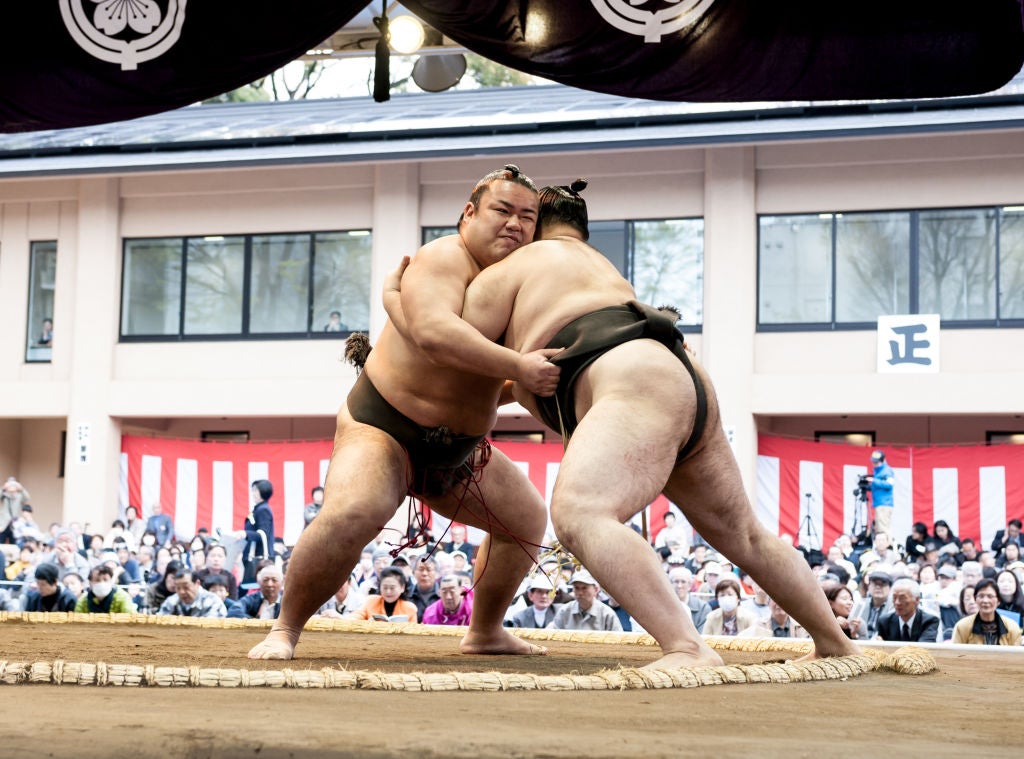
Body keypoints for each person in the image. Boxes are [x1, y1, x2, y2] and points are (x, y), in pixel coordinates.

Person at [383, 178, 859, 667]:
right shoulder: (601, 269)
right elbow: (523, 379)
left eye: (523, 220)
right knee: (745, 534)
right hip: (682, 377)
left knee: (579, 512)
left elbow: (441, 348)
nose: (513, 230)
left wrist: (394, 299)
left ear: (536, 228)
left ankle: (687, 646)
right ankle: (836, 643)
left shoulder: (516, 266)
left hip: (632, 381)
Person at [248, 165, 555, 661]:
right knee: (354, 510)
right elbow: (434, 335)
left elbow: (481, 385)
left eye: (527, 217)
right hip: (383, 427)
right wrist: (521, 365)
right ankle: (284, 628)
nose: (515, 225)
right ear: (469, 214)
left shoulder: (523, 288)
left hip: (459, 453)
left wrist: (529, 383)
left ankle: (485, 631)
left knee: (525, 519)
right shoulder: (442, 258)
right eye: (502, 210)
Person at [952, 578, 1023, 645]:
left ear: (998, 600)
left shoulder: (1012, 628)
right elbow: (956, 655)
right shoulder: (962, 627)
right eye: (981, 596)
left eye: (990, 596)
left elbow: (1016, 656)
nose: (985, 601)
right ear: (975, 599)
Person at [552, 569, 622, 632]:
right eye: (577, 588)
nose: (580, 593)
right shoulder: (564, 611)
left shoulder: (607, 614)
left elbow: (619, 641)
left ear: (596, 589)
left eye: (584, 588)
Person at [237, 480, 275, 585]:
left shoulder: (263, 510)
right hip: (254, 556)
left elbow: (263, 534)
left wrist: (245, 534)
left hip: (258, 556)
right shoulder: (258, 509)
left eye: (255, 490)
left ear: (263, 492)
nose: (253, 493)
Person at [349, 567, 418, 623]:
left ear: (402, 588)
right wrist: (367, 623)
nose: (388, 591)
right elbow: (353, 618)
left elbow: (414, 632)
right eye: (385, 587)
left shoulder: (410, 608)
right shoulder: (370, 601)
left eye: (392, 588)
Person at [157, 568, 227, 618]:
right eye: (178, 588)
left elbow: (213, 630)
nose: (182, 592)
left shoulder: (213, 601)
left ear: (197, 583)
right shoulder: (171, 602)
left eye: (186, 587)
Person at [667, 566, 710, 633]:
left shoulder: (703, 607)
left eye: (683, 582)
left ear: (690, 585)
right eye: (676, 581)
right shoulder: (663, 606)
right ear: (671, 584)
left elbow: (703, 634)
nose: (679, 586)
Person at [867, 451, 895, 538]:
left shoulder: (887, 470)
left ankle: (887, 547)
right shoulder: (878, 471)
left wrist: (874, 481)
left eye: (876, 462)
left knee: (883, 529)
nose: (874, 464)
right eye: (873, 462)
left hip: (884, 503)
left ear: (883, 461)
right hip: (879, 502)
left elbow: (889, 485)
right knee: (879, 528)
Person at [406, 555, 440, 622]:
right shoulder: (406, 594)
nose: (424, 573)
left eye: (429, 570)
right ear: (413, 572)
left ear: (436, 573)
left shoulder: (443, 596)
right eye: (421, 569)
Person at [0, 477, 30, 544]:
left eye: (13, 484)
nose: (11, 486)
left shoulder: (19, 496)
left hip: (15, 524)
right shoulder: (3, 496)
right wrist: (3, 488)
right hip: (3, 524)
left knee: (14, 543)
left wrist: (21, 489)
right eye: (9, 484)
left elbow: (27, 498)